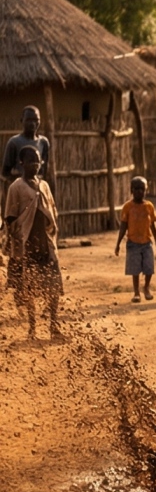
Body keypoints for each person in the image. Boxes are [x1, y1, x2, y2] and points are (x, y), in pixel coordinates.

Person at [4, 146, 61, 338]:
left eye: (38, 161)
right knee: (29, 288)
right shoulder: (16, 188)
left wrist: (52, 235)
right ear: (21, 163)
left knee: (53, 286)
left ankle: (53, 325)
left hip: (46, 244)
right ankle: (32, 327)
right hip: (27, 245)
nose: (35, 165)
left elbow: (52, 211)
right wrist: (15, 243)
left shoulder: (44, 186)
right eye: (31, 161)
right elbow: (10, 218)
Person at [114, 175, 156, 303]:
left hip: (147, 243)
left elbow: (153, 225)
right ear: (131, 190)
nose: (139, 192)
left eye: (142, 189)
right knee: (135, 269)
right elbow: (123, 226)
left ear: (146, 190)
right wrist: (117, 244)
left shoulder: (149, 206)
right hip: (133, 243)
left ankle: (146, 287)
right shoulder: (127, 207)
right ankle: (136, 292)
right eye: (136, 189)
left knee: (149, 268)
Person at [4, 107, 50, 181]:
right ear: (22, 121)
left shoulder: (43, 142)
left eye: (36, 120)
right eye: (29, 120)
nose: (32, 123)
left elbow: (45, 170)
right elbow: (5, 172)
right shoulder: (14, 142)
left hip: (38, 187)